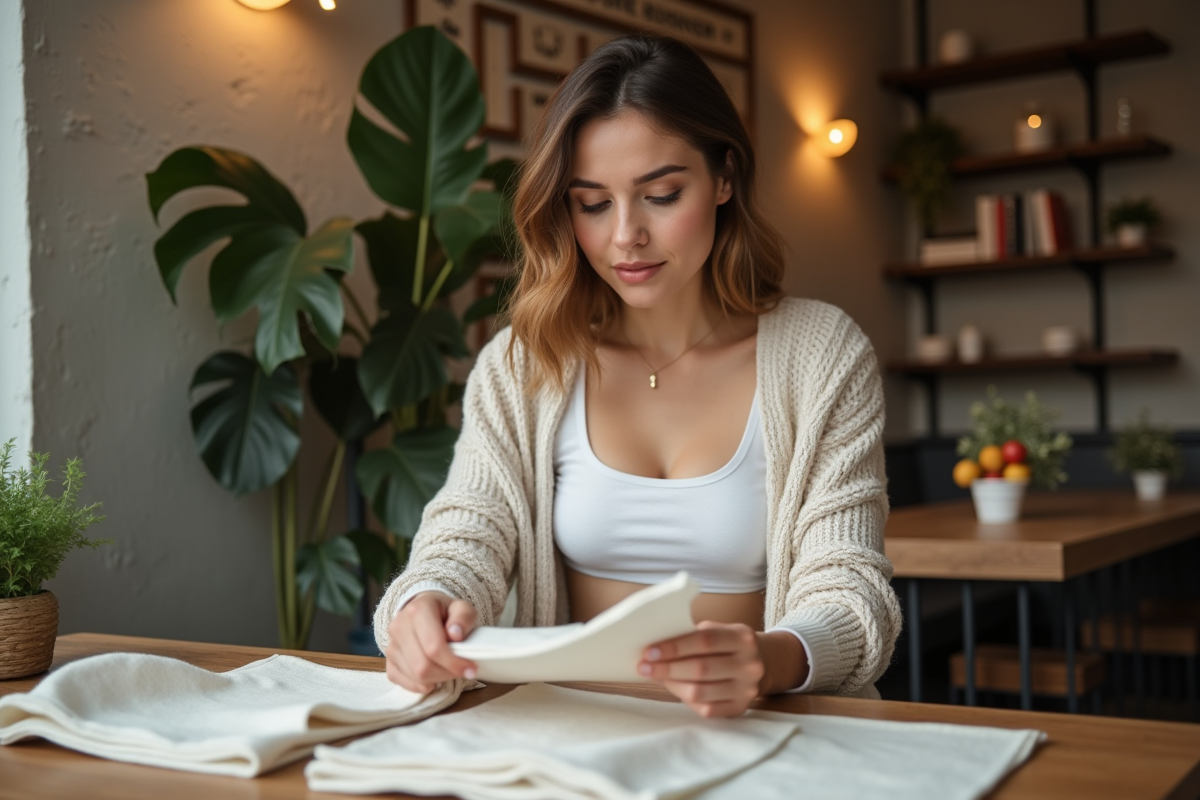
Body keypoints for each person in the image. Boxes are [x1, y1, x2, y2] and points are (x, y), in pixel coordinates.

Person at [375, 33, 901, 718]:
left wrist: (769, 659)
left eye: (660, 194)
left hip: (763, 735)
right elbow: (465, 533)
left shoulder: (822, 354)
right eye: (592, 203)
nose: (625, 235)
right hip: (569, 740)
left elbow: (851, 587)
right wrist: (425, 603)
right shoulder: (524, 363)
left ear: (724, 178)